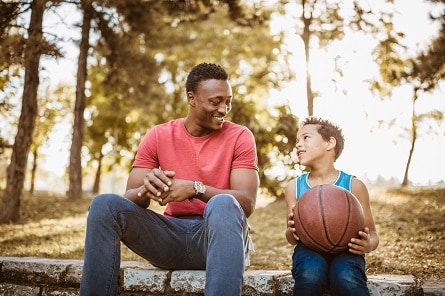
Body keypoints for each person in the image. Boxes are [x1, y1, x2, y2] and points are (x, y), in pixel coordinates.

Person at [80, 62, 259, 296]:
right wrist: (147, 187)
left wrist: (196, 189)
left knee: (223, 203)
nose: (224, 109)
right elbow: (131, 198)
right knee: (104, 205)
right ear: (191, 98)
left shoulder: (240, 136)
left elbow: (246, 202)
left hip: (217, 237)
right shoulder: (158, 135)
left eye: (228, 101)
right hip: (169, 238)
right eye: (215, 102)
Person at [284, 117, 379, 296]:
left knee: (346, 276)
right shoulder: (293, 187)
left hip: (348, 249)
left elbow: (373, 234)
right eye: (297, 141)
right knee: (310, 274)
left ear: (330, 143)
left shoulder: (354, 185)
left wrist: (367, 245)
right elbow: (290, 237)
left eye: (305, 138)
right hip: (308, 249)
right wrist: (292, 231)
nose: (298, 145)